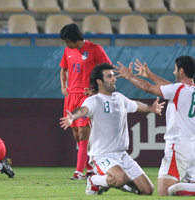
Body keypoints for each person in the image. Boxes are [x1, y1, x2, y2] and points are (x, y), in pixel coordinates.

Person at [60, 63, 163, 195]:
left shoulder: (119, 98)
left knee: (148, 190)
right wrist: (72, 117)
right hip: (102, 155)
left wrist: (151, 109)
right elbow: (83, 110)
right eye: (109, 76)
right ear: (99, 81)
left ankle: (108, 182)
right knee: (121, 178)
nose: (114, 79)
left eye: (113, 76)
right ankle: (93, 181)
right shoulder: (94, 100)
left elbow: (135, 105)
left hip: (122, 155)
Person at [114, 56, 195, 196]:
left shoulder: (178, 90)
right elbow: (170, 88)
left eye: (175, 69)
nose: (174, 72)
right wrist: (150, 75)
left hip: (179, 146)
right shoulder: (187, 90)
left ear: (181, 71)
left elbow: (148, 88)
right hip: (192, 145)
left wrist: (130, 76)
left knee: (164, 191)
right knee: (189, 186)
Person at [59, 23, 112, 180]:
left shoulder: (95, 49)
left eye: (68, 41)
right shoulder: (68, 50)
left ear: (76, 39)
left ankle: (78, 172)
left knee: (83, 133)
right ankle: (90, 167)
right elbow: (63, 68)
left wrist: (96, 88)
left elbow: (109, 69)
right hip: (71, 97)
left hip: (86, 97)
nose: (66, 45)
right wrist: (63, 85)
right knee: (76, 135)